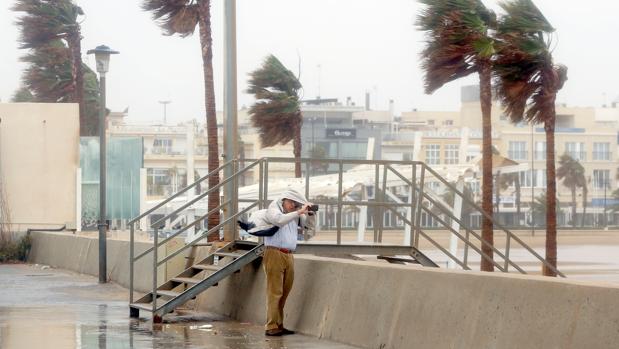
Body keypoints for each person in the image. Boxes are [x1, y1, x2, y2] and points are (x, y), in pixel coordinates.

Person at [262, 189, 315, 336]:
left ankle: (279, 324)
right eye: (292, 202)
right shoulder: (273, 209)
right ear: (284, 200)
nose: (294, 206)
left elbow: (308, 228)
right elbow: (279, 220)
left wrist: (310, 214)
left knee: (284, 292)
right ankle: (271, 326)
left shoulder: (294, 213)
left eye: (296, 204)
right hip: (274, 253)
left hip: (289, 254)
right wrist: (298, 212)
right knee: (274, 292)